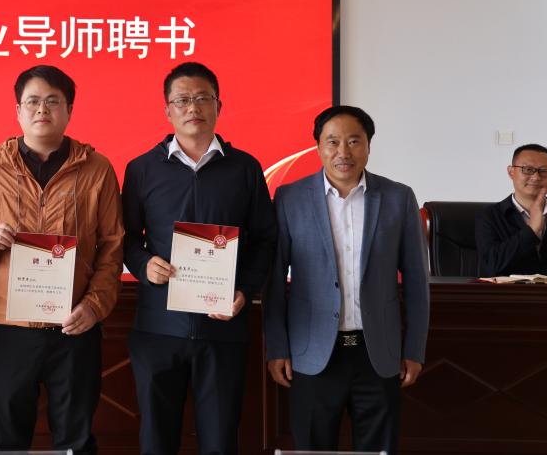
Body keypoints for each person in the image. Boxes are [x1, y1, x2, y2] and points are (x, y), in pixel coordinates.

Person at [0, 65, 124, 455]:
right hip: (9, 327)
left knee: (76, 441)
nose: (41, 110)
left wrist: (94, 307)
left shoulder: (97, 169)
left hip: (75, 326)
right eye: (32, 102)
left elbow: (113, 247)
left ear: (69, 110)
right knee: (7, 441)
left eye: (52, 101)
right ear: (17, 111)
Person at [122, 61, 277, 455]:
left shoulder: (245, 168)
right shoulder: (141, 169)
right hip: (158, 328)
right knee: (157, 442)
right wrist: (143, 265)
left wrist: (245, 291)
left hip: (222, 330)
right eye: (182, 100)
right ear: (167, 110)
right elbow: (125, 238)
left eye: (203, 98)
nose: (193, 107)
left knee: (220, 442)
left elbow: (265, 239)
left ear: (219, 106)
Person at [264, 105, 429, 455]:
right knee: (312, 449)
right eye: (333, 142)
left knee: (378, 450)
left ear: (368, 146)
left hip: (377, 353)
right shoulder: (290, 198)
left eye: (354, 141)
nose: (343, 152)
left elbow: (417, 282)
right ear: (318, 147)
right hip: (312, 354)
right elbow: (274, 280)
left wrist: (414, 349)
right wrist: (277, 347)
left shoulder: (398, 198)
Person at [476, 143, 547, 277]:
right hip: (510, 290)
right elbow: (490, 266)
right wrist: (531, 231)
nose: (536, 177)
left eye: (544, 171)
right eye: (528, 169)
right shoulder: (489, 216)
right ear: (511, 172)